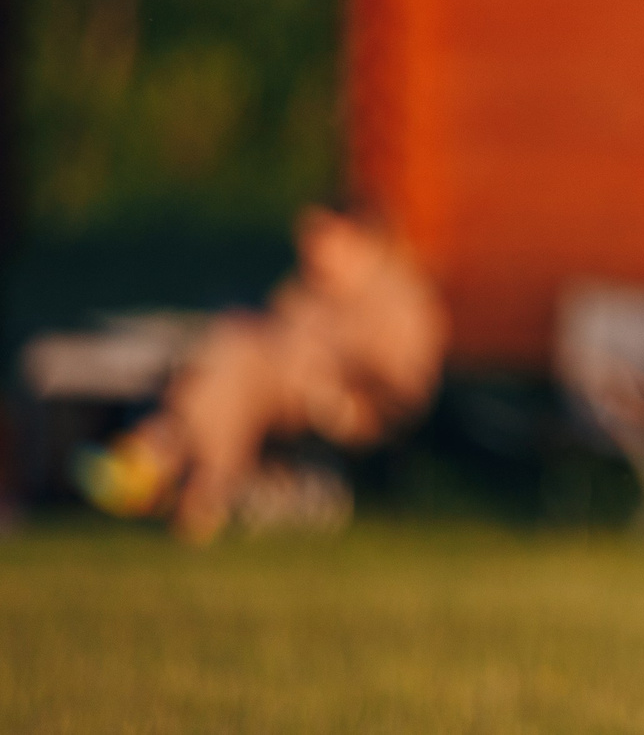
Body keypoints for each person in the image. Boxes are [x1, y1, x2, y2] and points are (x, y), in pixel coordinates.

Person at [76, 206, 445, 542]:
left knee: (236, 357)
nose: (312, 253)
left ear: (360, 242)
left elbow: (403, 389)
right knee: (232, 354)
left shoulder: (400, 303)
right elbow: (278, 339)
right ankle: (195, 481)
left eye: (323, 239)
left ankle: (159, 454)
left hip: (343, 409)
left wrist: (340, 399)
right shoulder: (305, 290)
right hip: (281, 394)